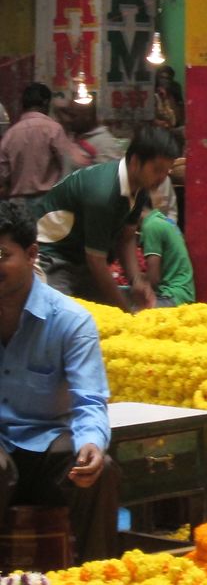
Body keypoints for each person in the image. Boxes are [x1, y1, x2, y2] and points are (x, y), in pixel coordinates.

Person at [0, 200, 118, 563]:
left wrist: (92, 445)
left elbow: (89, 401)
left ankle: (96, 573)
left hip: (47, 445)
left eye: (1, 255)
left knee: (101, 471)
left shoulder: (70, 321)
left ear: (32, 253)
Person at [34, 125, 181, 312]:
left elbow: (126, 238)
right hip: (53, 258)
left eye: (166, 172)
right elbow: (96, 261)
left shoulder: (140, 189)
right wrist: (124, 312)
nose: (162, 178)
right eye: (157, 170)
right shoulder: (102, 194)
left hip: (82, 263)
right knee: (61, 319)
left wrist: (136, 280)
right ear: (135, 162)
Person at [0, 82, 90, 201]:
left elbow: (2, 174)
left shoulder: (10, 134)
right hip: (46, 202)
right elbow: (72, 163)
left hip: (17, 205)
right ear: (46, 103)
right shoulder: (53, 129)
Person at [139, 199, 195, 306]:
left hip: (172, 295)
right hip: (184, 294)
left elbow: (153, 279)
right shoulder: (163, 221)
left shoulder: (151, 226)